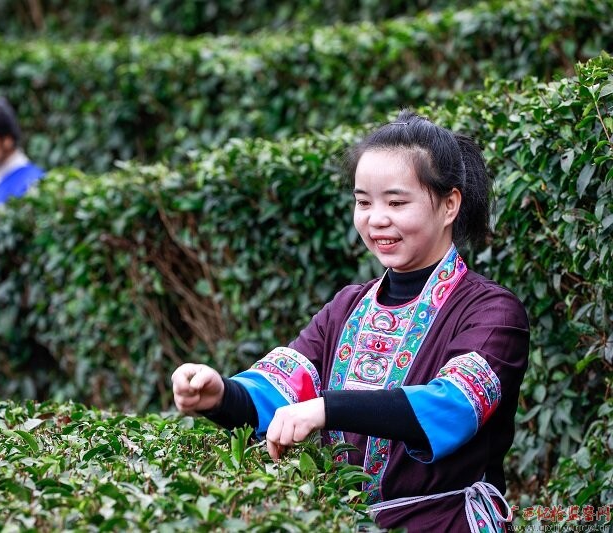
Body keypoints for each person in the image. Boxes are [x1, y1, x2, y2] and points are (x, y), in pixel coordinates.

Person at [172, 110, 530, 532]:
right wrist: (219, 394)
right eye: (364, 202)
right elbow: (280, 392)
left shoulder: (491, 312)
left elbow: (452, 405)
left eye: (396, 202)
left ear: (450, 204)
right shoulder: (346, 307)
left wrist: (327, 408)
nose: (376, 218)